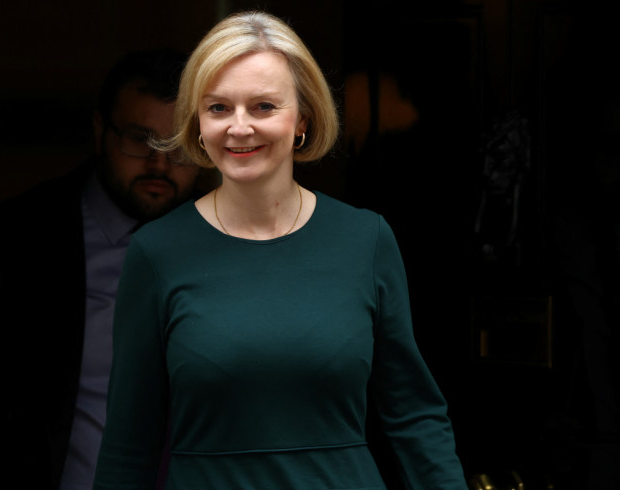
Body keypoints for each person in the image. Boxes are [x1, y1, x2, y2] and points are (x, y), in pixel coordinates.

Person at [94, 11, 468, 490]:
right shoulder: (156, 252)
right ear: (197, 122)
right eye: (219, 108)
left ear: (302, 120)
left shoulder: (366, 239)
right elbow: (129, 443)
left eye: (264, 106)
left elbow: (413, 415)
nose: (240, 127)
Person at [0, 49, 200, 490]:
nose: (159, 164)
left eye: (178, 147)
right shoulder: (12, 242)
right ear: (101, 131)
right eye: (140, 139)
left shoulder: (227, 242)